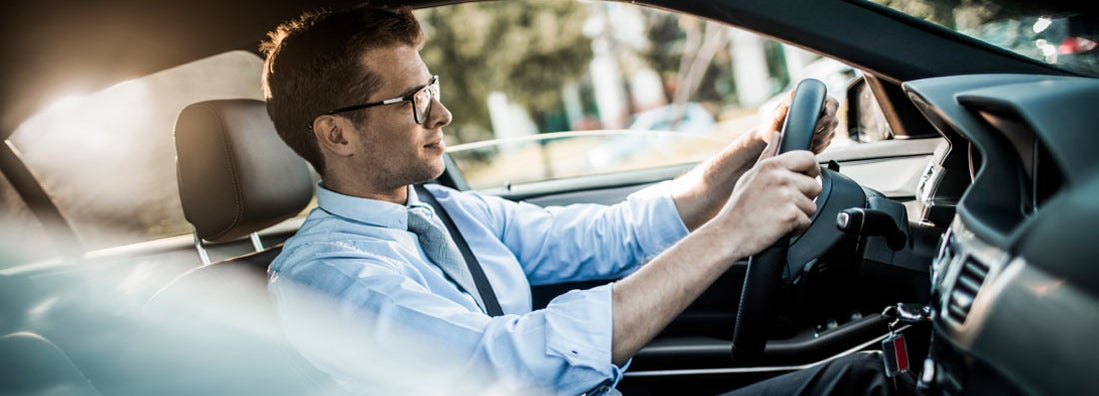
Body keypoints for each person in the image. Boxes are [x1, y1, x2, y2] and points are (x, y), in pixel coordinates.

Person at [259, 5, 899, 396]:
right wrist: (733, 231)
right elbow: (510, 370)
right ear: (335, 132)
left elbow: (613, 234)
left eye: (433, 88)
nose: (443, 112)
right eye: (414, 101)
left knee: (873, 379)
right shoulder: (328, 280)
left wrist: (749, 149)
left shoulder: (444, 213)